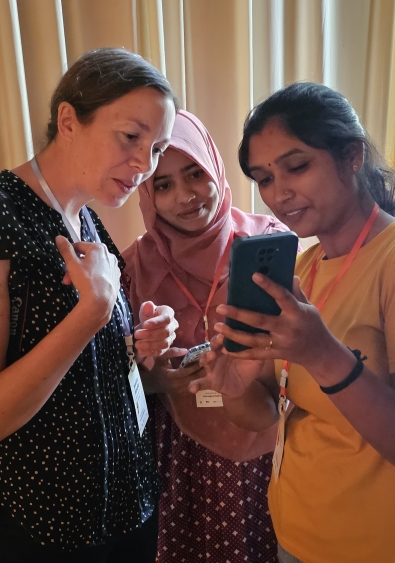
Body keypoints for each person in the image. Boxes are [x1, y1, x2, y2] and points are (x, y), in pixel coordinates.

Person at [190, 82, 395, 563]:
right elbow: (267, 413)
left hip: (388, 548)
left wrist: (324, 356)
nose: (278, 192)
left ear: (351, 155)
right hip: (299, 537)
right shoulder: (305, 267)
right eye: (263, 178)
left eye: (297, 166)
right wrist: (233, 386)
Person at [0, 48, 180, 563]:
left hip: (129, 507)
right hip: (44, 527)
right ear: (68, 120)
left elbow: (83, 379)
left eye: (157, 149)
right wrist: (92, 315)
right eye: (131, 137)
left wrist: (141, 343)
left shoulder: (88, 223)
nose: (144, 165)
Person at [122, 110, 286, 562]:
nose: (184, 196)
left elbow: (296, 364)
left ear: (214, 166)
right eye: (163, 184)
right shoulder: (133, 267)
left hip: (261, 442)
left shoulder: (267, 243)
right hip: (177, 455)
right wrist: (155, 372)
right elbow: (122, 381)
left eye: (195, 173)